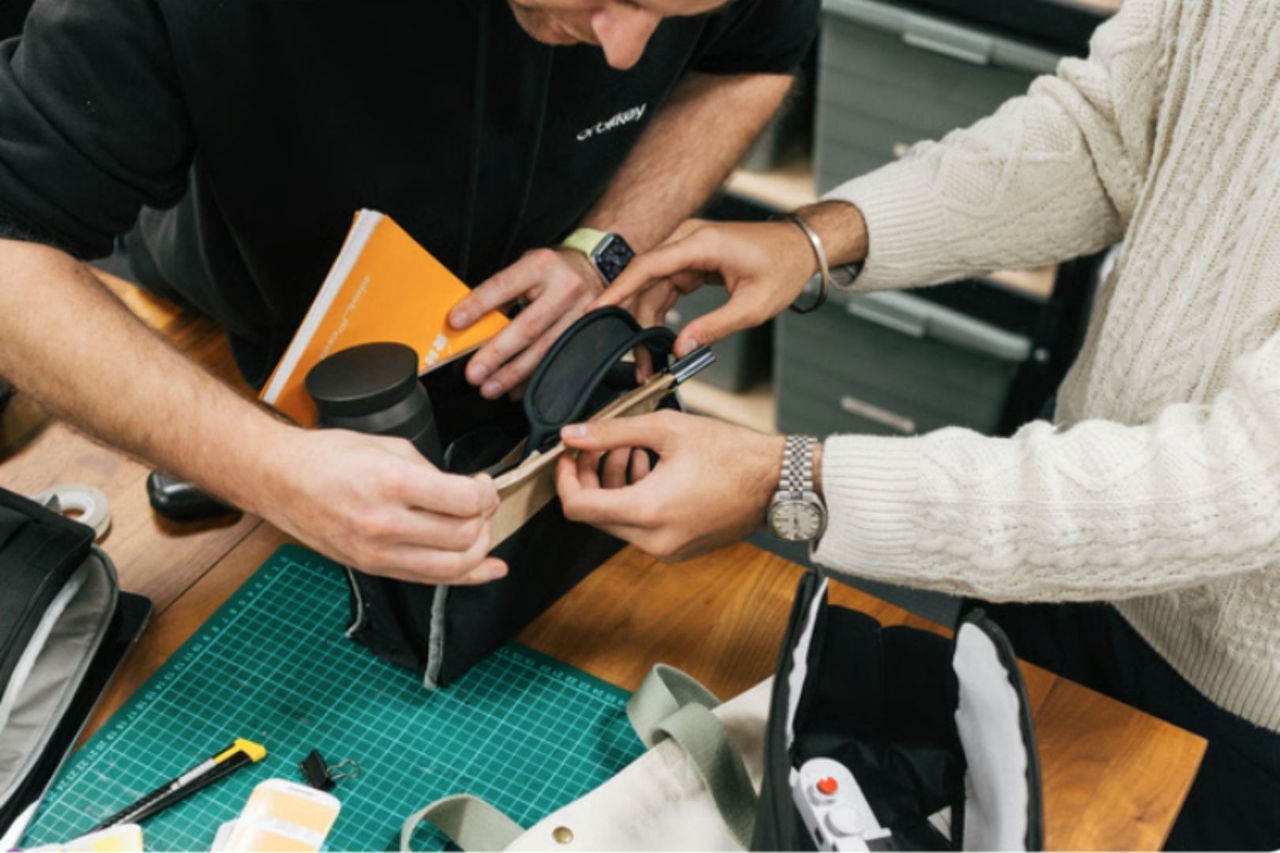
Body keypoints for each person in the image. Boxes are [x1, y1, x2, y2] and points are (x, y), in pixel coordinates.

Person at [554, 0, 1280, 848]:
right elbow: (1107, 132)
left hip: (1235, 702)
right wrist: (817, 239)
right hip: (1048, 569)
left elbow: (1240, 480)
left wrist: (788, 483)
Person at [0, 0, 816, 584]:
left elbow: (750, 59)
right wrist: (265, 465)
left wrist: (598, 247)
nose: (626, 52)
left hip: (538, 340)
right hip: (240, 347)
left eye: (672, 15)